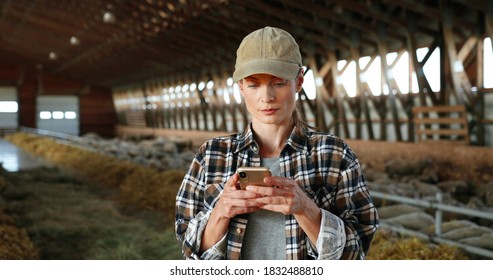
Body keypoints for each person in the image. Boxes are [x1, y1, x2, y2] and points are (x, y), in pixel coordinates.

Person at [175, 26, 379, 260]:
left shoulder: (334, 155)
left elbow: (357, 252)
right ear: (241, 87)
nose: (267, 97)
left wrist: (306, 209)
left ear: (299, 81)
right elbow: (189, 251)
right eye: (253, 85)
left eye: (279, 83)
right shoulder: (211, 156)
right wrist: (221, 213)